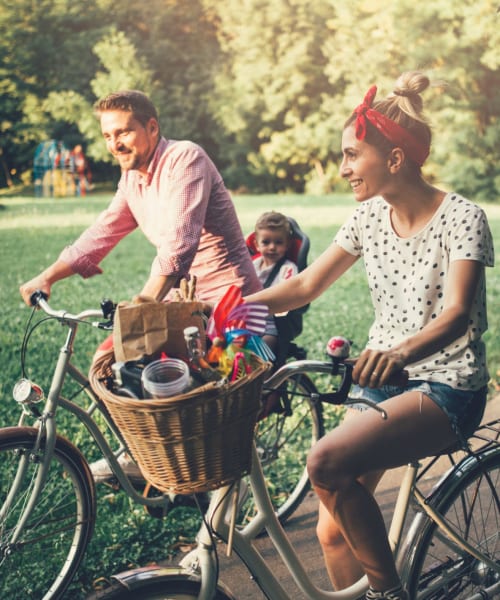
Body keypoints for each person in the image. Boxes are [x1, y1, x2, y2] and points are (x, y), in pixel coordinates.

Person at [244, 71, 494, 600]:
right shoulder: (367, 218)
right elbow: (306, 285)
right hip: (385, 380)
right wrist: (230, 307)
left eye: (352, 155)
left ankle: (388, 593)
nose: (343, 168)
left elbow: (454, 315)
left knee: (325, 464)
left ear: (395, 159)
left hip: (445, 385)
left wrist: (399, 352)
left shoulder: (463, 219)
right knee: (332, 531)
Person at [20, 89, 262, 481]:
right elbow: (104, 231)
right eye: (107, 136)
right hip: (183, 301)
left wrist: (145, 303)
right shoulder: (132, 177)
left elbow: (179, 246)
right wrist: (48, 275)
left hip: (228, 300)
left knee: (211, 410)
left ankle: (213, 511)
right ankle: (140, 456)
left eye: (124, 132)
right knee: (110, 362)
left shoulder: (185, 159)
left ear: (152, 127)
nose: (115, 143)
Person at [252, 211, 299, 353]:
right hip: (249, 319)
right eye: (266, 242)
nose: (272, 247)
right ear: (256, 244)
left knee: (263, 350)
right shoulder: (252, 265)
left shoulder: (288, 269)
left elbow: (286, 295)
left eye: (278, 242)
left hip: (271, 323)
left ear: (287, 244)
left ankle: (264, 373)